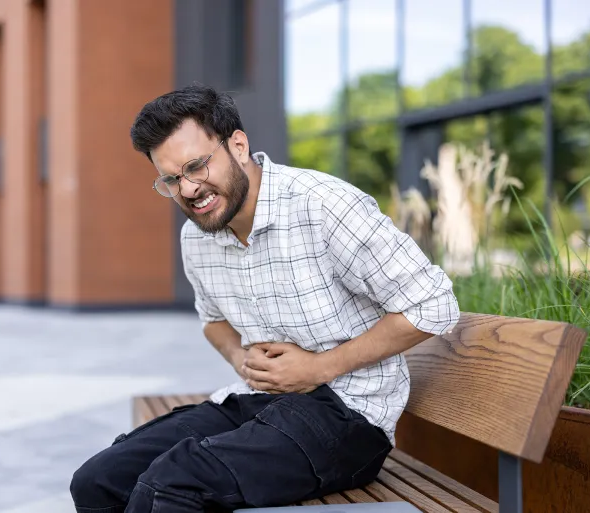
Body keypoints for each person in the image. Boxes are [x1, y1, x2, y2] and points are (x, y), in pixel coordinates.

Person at [70, 84, 460, 513]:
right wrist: (243, 361)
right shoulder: (196, 237)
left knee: (170, 486)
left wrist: (319, 367)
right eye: (172, 180)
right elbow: (213, 320)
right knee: (98, 481)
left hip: (349, 416)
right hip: (261, 401)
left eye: (196, 166)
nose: (189, 189)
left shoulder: (322, 205)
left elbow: (433, 303)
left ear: (238, 146)